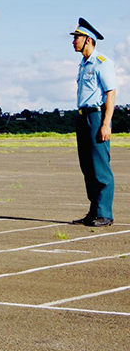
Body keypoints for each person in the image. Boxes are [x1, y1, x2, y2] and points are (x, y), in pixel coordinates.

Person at [70, 18, 118, 227]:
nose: (74, 41)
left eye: (77, 38)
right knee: (87, 167)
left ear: (88, 39)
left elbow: (111, 93)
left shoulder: (101, 62)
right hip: (83, 116)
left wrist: (106, 123)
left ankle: (105, 213)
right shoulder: (83, 64)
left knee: (100, 167)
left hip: (96, 116)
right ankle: (94, 211)